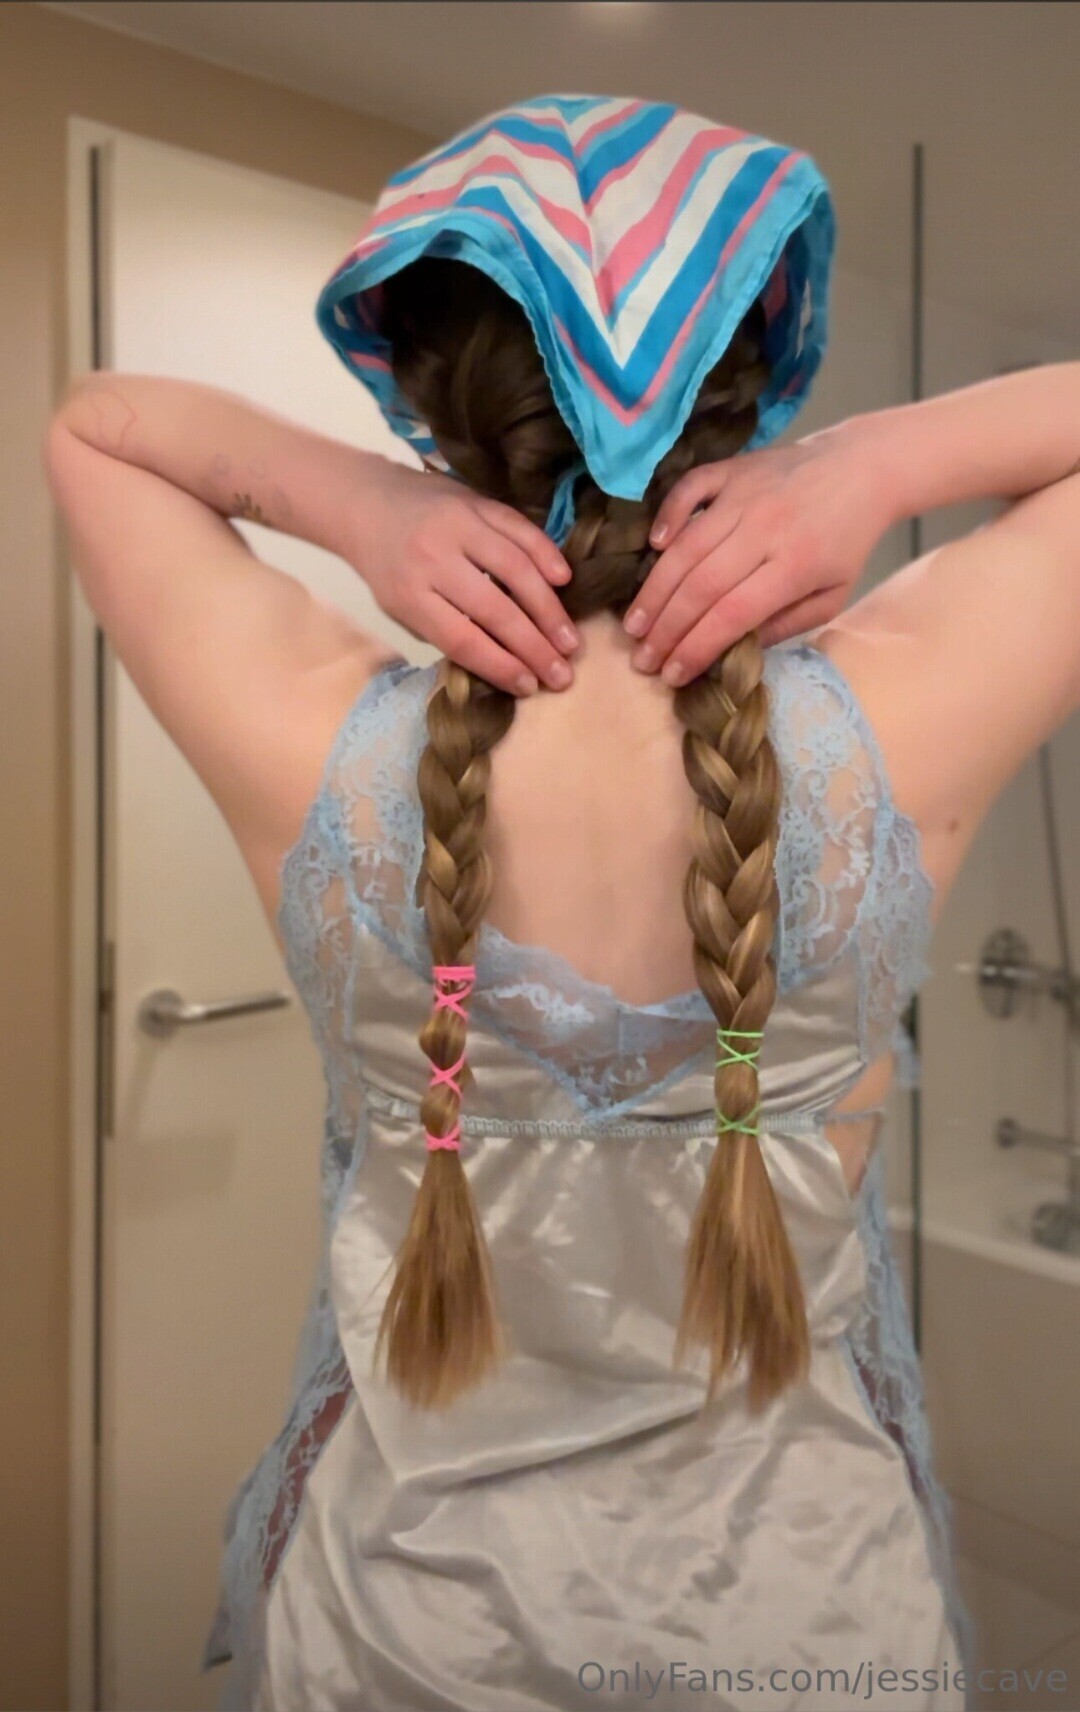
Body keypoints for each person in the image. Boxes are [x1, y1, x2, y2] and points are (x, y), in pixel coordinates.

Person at [42, 95, 1080, 1712]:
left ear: (436, 398)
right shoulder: (900, 719)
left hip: (399, 1632)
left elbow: (96, 427)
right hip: (809, 1626)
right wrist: (868, 465)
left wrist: (358, 507)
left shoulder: (321, 739)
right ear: (751, 376)